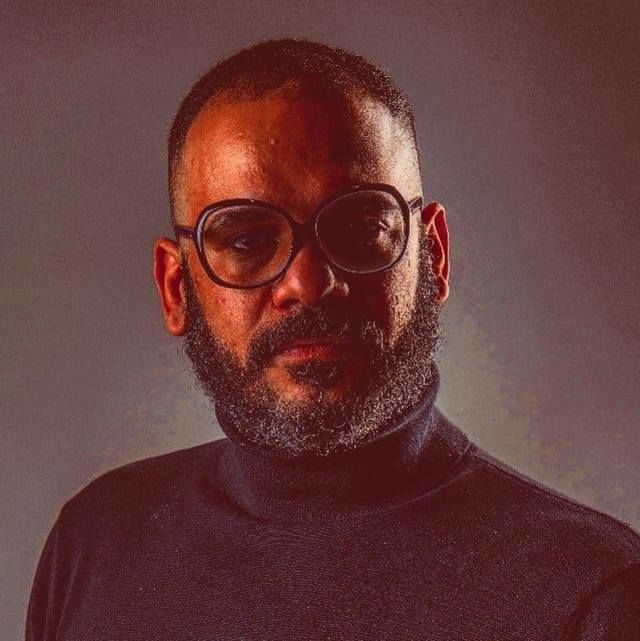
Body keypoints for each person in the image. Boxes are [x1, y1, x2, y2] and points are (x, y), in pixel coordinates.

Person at [26, 38, 640, 641]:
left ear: (433, 255)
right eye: (246, 239)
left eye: (361, 225)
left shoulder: (594, 595)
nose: (308, 283)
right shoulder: (94, 545)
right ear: (175, 288)